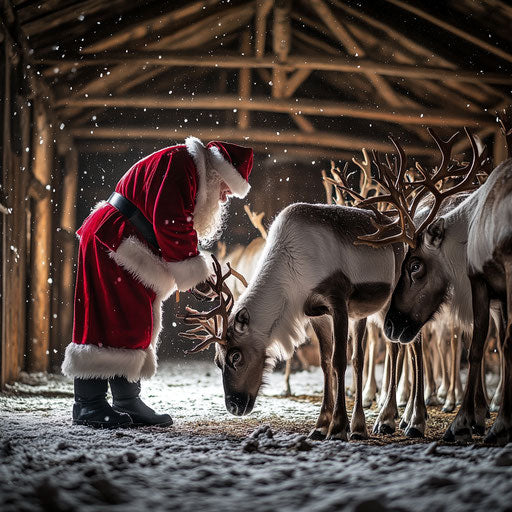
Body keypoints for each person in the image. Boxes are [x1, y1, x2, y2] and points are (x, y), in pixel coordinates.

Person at [61, 137, 254, 428]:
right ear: (218, 173)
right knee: (101, 321)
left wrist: (192, 268)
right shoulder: (182, 167)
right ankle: (89, 404)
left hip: (127, 243)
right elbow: (171, 223)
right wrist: (193, 272)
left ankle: (127, 400)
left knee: (132, 321)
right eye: (227, 188)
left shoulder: (189, 171)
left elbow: (173, 223)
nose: (225, 197)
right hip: (114, 240)